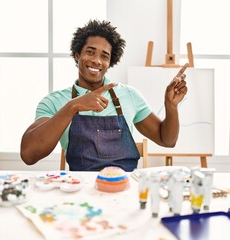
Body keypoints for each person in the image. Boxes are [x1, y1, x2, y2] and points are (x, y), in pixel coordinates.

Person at [20, 19, 188, 172]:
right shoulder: (54, 102)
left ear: (110, 63)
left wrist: (171, 106)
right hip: (80, 192)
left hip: (125, 190)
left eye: (104, 56)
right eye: (90, 52)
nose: (97, 61)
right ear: (77, 54)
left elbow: (167, 140)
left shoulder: (129, 95)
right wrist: (73, 106)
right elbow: (29, 155)